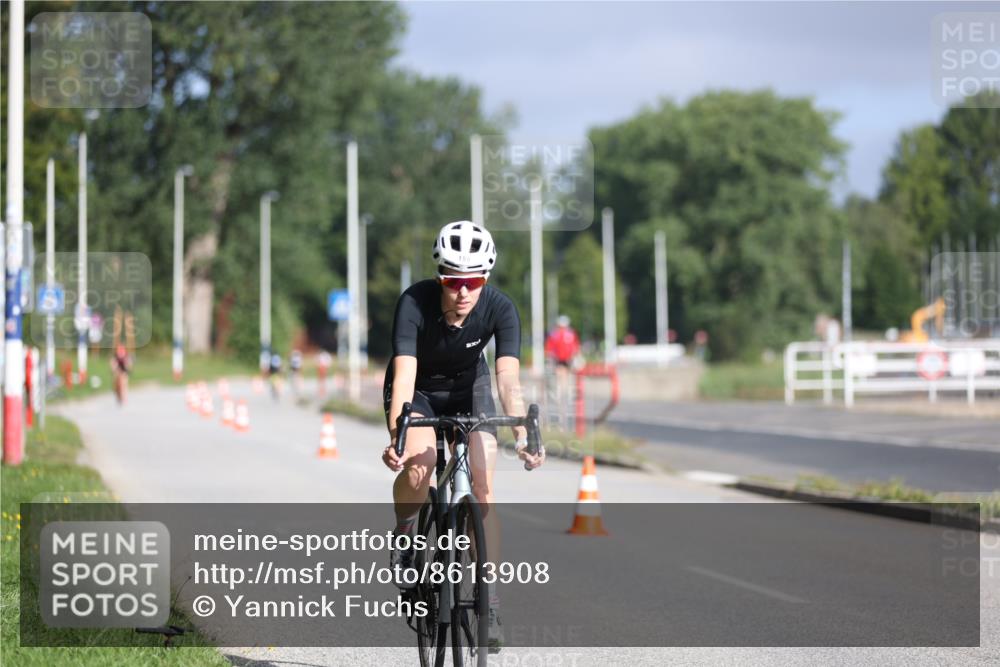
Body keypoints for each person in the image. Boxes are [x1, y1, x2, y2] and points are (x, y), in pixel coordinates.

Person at [382, 220, 545, 653]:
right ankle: (404, 533)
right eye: (453, 281)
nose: (463, 292)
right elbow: (404, 375)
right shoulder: (414, 303)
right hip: (418, 391)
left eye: (473, 281)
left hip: (469, 391)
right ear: (441, 278)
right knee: (422, 466)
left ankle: (489, 600)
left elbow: (508, 378)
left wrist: (523, 431)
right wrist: (399, 435)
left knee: (484, 483)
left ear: (484, 279)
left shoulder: (500, 308)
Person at [545, 315, 581, 426]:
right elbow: (549, 349)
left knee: (564, 381)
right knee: (562, 380)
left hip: (566, 360)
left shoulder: (567, 334)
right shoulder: (556, 334)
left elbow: (575, 347)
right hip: (560, 361)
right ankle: (562, 397)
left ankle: (563, 396)